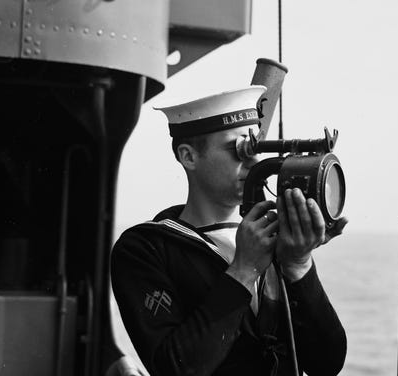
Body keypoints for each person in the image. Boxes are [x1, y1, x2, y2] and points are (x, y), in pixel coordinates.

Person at [111, 85, 348, 376]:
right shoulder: (145, 250)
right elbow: (174, 368)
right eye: (238, 149)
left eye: (256, 147)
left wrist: (298, 264)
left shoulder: (273, 238)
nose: (252, 161)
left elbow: (326, 363)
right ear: (189, 157)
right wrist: (244, 270)